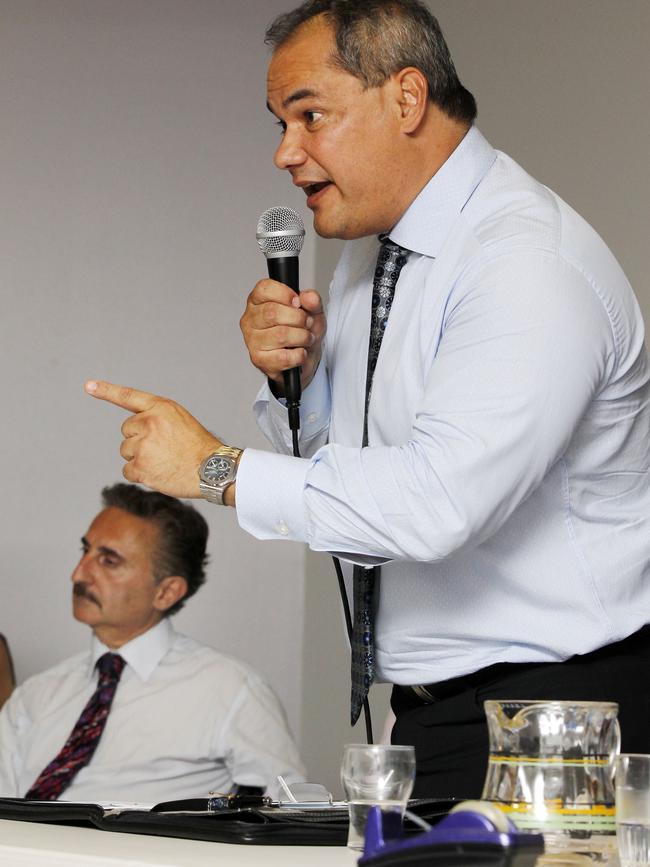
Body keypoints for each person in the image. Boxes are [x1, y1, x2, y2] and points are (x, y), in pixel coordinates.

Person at [83, 0, 650, 798]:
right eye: (279, 122)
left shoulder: (526, 264)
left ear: (407, 98)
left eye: (309, 115)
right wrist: (302, 379)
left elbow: (434, 505)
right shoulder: (369, 258)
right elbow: (353, 481)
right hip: (434, 712)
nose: (285, 152)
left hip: (558, 718)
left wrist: (214, 467)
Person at [0, 484, 304, 802]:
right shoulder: (35, 697)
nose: (79, 574)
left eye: (109, 561)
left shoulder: (231, 692)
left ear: (166, 592)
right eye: (85, 551)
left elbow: (287, 814)